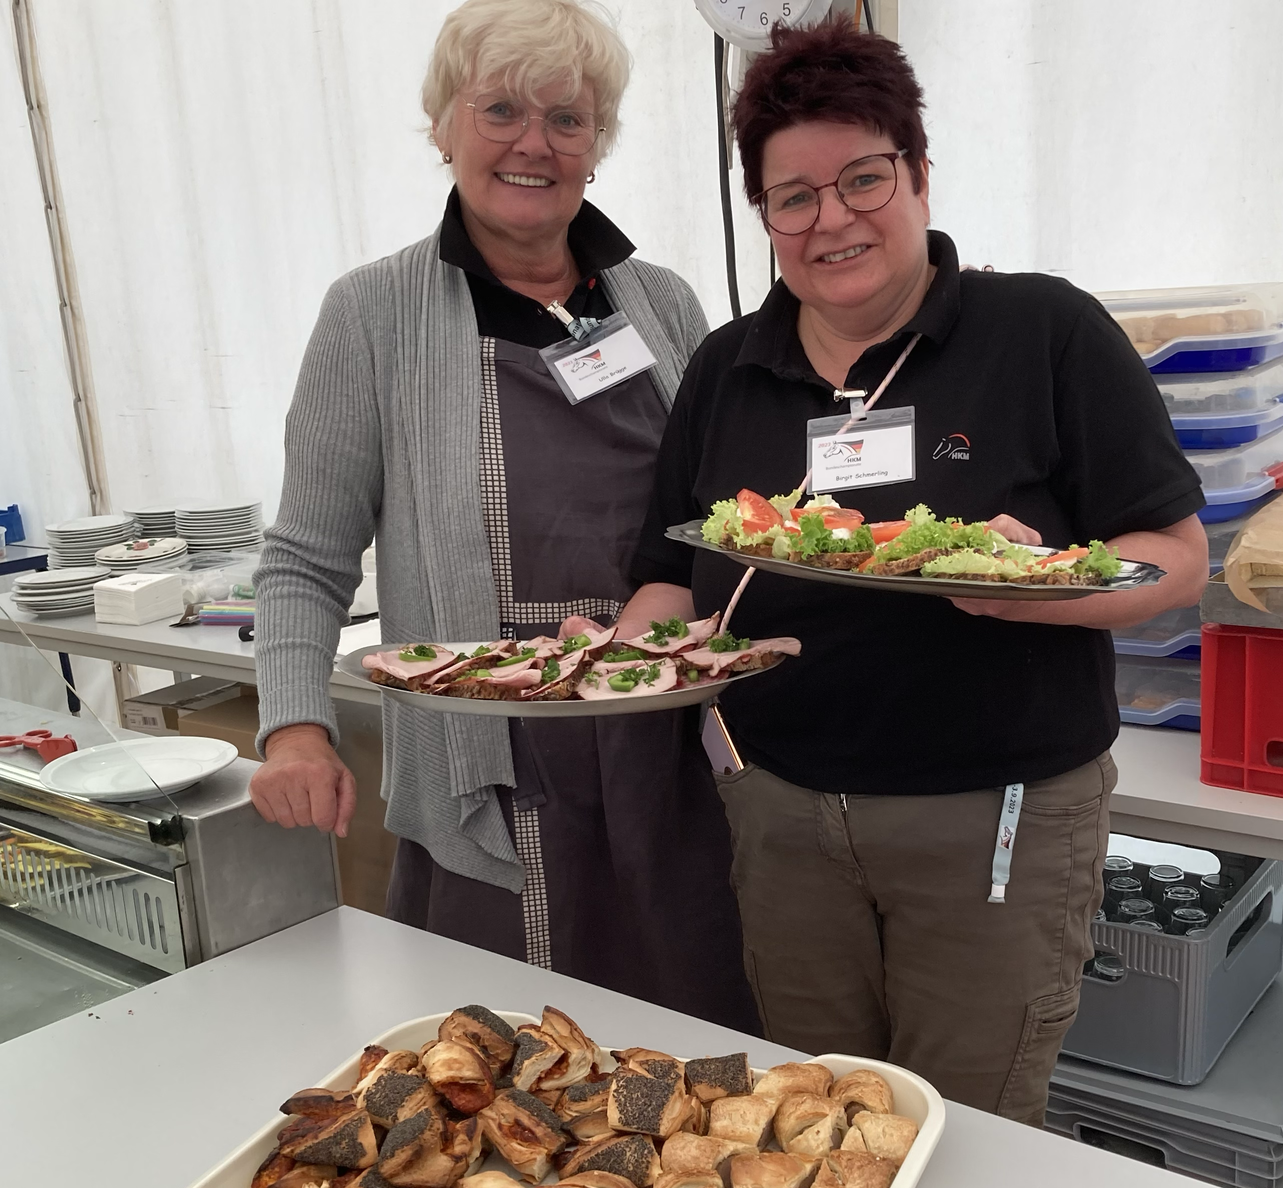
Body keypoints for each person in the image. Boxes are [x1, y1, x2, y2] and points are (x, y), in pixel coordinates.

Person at [624, 19, 1209, 1122]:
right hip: (779, 808)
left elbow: (1173, 561)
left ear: (919, 174)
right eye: (792, 196)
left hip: (994, 815)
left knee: (968, 1130)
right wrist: (626, 660)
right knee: (811, 1126)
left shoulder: (1042, 331)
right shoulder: (726, 368)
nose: (830, 218)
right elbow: (669, 564)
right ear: (764, 215)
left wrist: (1045, 585)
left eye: (861, 178)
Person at [251, 0, 758, 1032]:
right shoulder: (373, 313)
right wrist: (294, 727)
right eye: (499, 110)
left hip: (662, 747)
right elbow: (305, 554)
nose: (533, 143)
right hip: (489, 759)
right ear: (442, 124)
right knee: (502, 1071)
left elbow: (717, 522)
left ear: (597, 145)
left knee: (685, 1048)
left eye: (567, 119)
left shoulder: (660, 302)